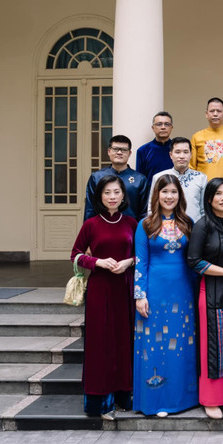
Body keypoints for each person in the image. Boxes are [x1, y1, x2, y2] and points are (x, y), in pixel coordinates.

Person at [71, 175, 137, 420]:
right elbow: (75, 255)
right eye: (107, 193)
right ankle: (99, 399)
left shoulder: (132, 223)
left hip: (125, 288)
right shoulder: (91, 224)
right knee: (99, 343)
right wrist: (97, 261)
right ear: (100, 196)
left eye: (116, 192)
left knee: (123, 340)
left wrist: (128, 262)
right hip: (99, 288)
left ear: (123, 196)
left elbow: (141, 255)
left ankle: (124, 395)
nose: (112, 197)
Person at [133, 174, 198, 417]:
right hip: (154, 292)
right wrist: (140, 295)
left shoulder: (187, 222)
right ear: (156, 195)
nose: (169, 196)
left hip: (182, 292)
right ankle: (157, 399)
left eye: (173, 192)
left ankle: (183, 398)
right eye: (164, 192)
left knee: (182, 343)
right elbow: (141, 262)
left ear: (179, 195)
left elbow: (192, 260)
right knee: (155, 344)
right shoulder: (146, 224)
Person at [186, 178, 223, 420]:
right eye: (218, 194)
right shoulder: (202, 226)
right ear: (209, 198)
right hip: (210, 293)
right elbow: (193, 261)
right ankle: (212, 399)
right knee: (215, 345)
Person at [84, 135, 149, 221]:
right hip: (102, 229)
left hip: (131, 230)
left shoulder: (140, 180)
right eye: (115, 149)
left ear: (129, 153)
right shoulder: (96, 177)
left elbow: (144, 212)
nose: (119, 152)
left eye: (124, 150)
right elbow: (89, 209)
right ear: (109, 151)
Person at [150, 137, 207, 221]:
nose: (182, 156)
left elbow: (204, 210)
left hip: (195, 229)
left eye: (185, 152)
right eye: (177, 152)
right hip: (165, 230)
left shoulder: (201, 178)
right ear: (171, 155)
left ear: (191, 154)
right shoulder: (159, 177)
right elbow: (152, 208)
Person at [136, 111, 174, 183]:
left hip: (174, 192)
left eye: (167, 124)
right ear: (153, 128)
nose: (163, 127)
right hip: (151, 192)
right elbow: (140, 180)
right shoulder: (143, 151)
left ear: (171, 128)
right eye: (159, 124)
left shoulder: (177, 149)